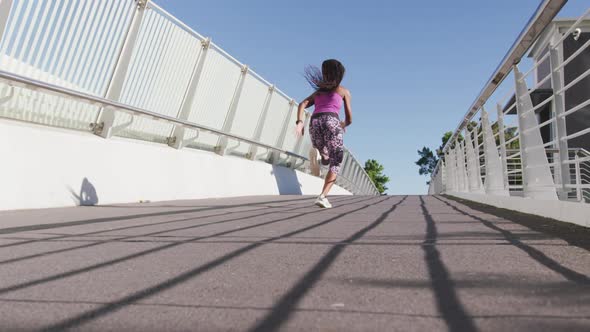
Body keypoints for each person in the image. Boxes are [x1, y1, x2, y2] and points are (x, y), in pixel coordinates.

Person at [295, 59, 352, 208]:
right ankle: (322, 196)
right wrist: (343, 124)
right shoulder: (343, 91)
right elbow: (349, 119)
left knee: (324, 151)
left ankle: (323, 156)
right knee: (336, 162)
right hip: (332, 122)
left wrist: (299, 122)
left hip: (315, 122)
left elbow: (302, 104)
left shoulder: (319, 92)